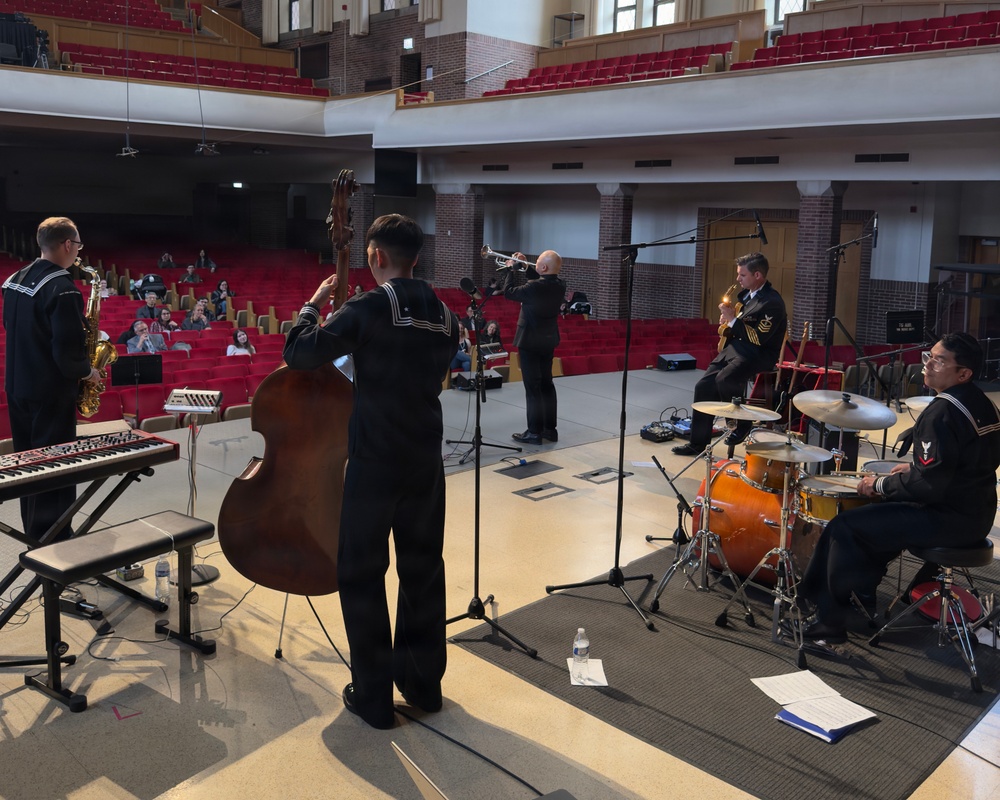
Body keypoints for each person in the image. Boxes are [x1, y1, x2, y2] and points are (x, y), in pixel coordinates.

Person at [284, 214, 457, 730]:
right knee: (423, 571)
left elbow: (299, 353)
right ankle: (424, 685)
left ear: (376, 257)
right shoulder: (446, 316)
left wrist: (313, 303)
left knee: (362, 574)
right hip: (425, 459)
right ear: (417, 259)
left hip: (376, 461)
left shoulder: (369, 305)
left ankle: (374, 697)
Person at [797, 332, 1000, 644]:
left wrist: (878, 484)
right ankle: (862, 596)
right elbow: (969, 462)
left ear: (963, 373)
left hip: (947, 520)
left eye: (940, 361)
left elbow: (926, 487)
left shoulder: (941, 412)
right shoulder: (985, 404)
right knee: (879, 521)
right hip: (978, 514)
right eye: (929, 356)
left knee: (844, 526)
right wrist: (916, 467)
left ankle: (831, 621)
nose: (928, 365)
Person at [2, 217, 100, 540]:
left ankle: (34, 537)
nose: (78, 253)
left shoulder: (14, 280)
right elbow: (67, 356)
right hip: (50, 396)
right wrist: (89, 371)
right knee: (55, 473)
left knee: (29, 469)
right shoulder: (63, 288)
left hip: (17, 390)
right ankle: (54, 551)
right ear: (68, 245)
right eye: (78, 246)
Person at [672, 252, 787, 457]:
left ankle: (742, 425)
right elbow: (740, 327)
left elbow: (759, 338)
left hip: (758, 353)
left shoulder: (772, 303)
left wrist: (733, 321)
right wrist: (727, 323)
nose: (738, 279)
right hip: (736, 349)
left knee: (725, 380)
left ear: (758, 275)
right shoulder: (745, 296)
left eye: (742, 275)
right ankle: (697, 444)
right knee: (703, 387)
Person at [502, 249, 565, 444]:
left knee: (532, 387)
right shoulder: (560, 285)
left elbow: (508, 292)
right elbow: (538, 280)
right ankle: (549, 430)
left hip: (529, 341)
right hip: (547, 339)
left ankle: (534, 432)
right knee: (547, 384)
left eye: (537, 261)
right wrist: (525, 265)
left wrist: (510, 270)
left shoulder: (534, 288)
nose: (534, 262)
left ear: (544, 267)